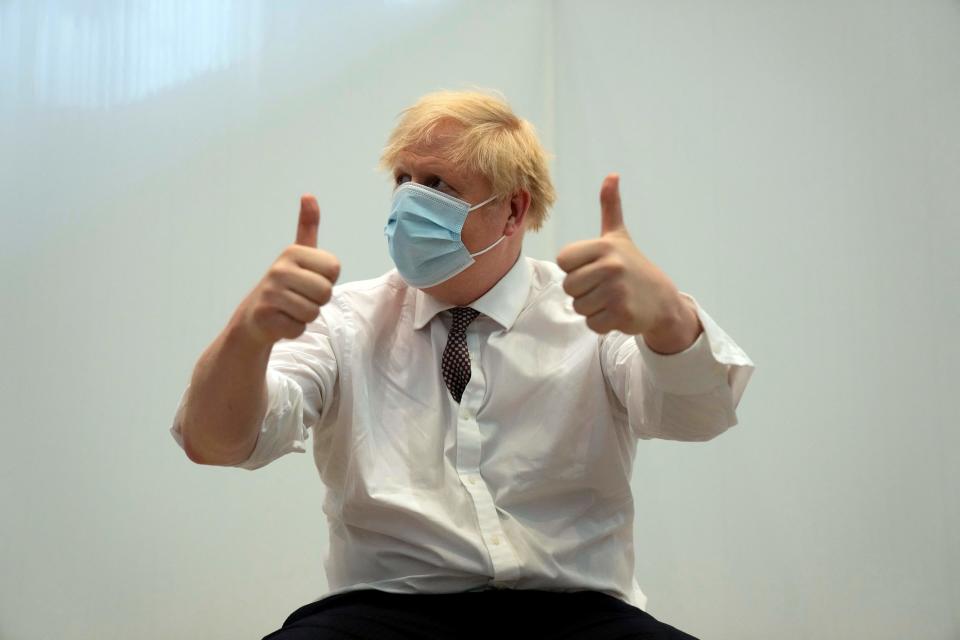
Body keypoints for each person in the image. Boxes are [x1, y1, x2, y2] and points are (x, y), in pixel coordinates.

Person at [170, 89, 755, 640]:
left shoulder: (590, 315)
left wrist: (666, 321)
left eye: (438, 185)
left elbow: (696, 415)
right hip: (385, 610)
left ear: (513, 211)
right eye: (403, 179)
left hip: (575, 610)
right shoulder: (344, 318)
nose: (408, 201)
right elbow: (216, 443)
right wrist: (249, 333)